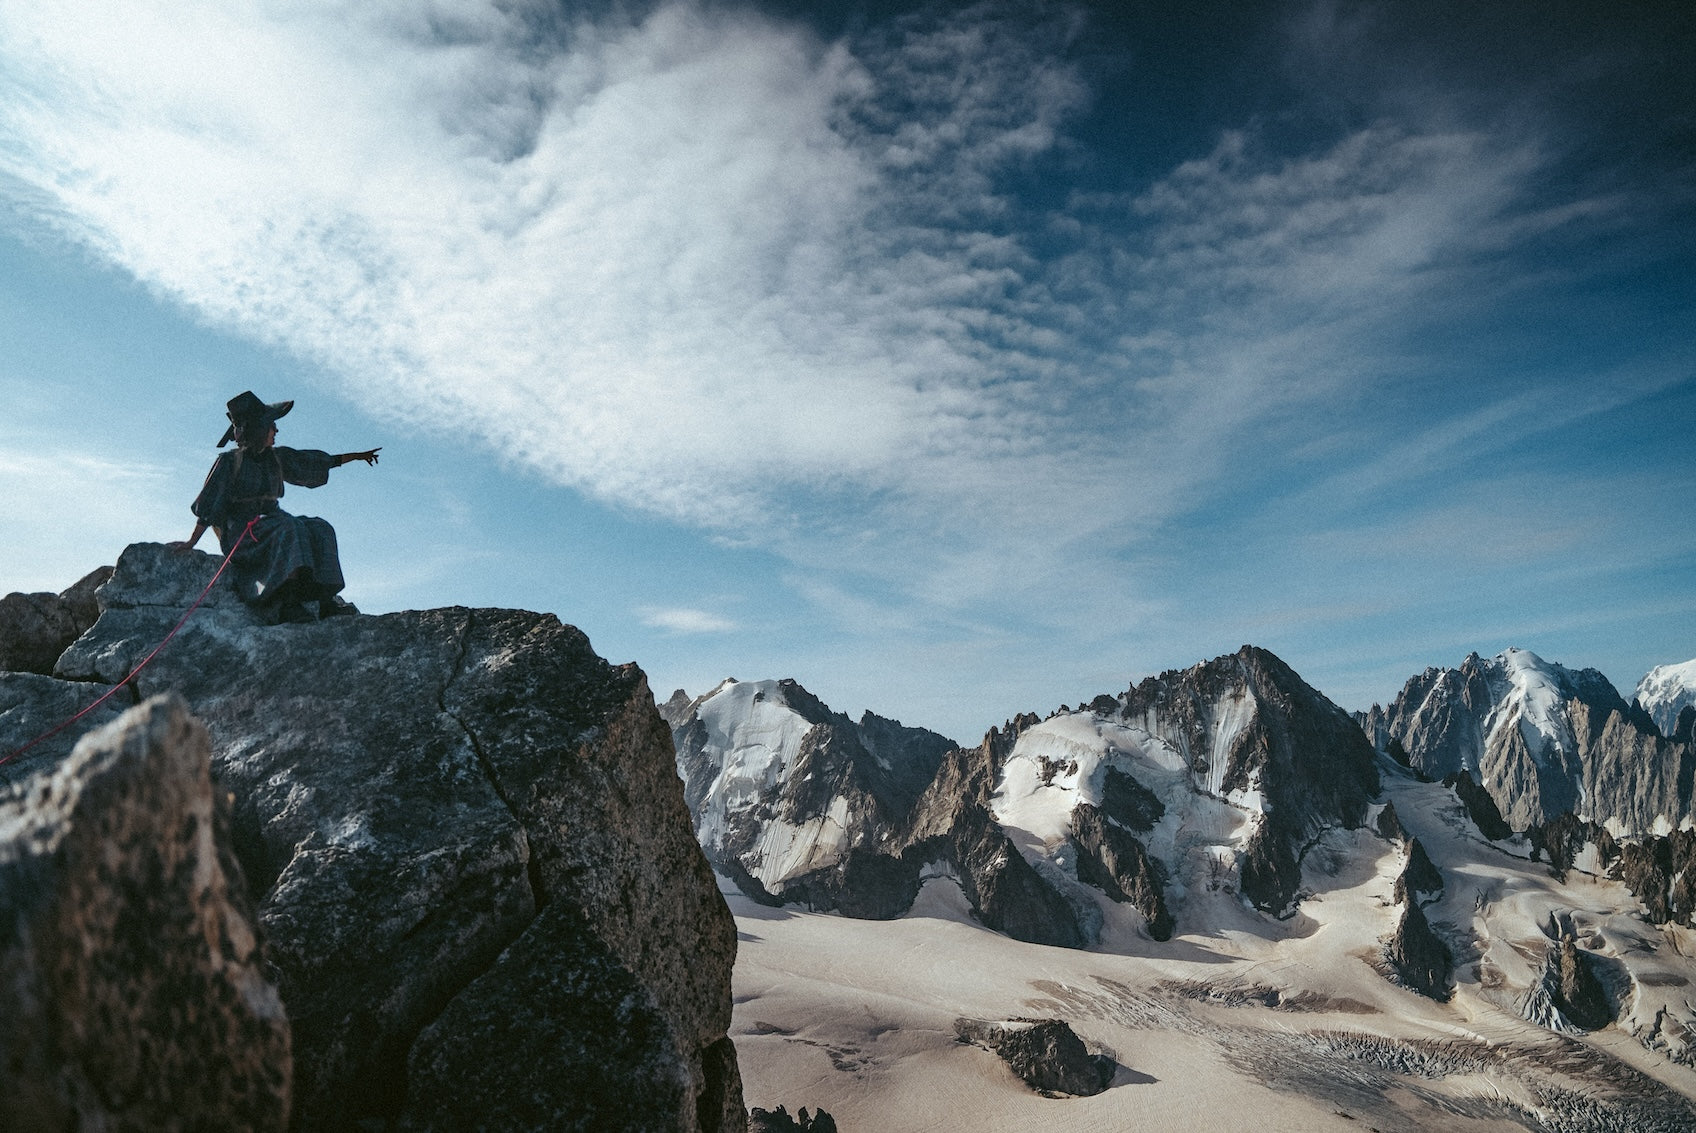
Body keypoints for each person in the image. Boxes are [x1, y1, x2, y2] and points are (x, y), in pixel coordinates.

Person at [171, 391, 380, 623]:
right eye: (271, 426)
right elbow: (209, 504)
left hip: (271, 523)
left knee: (319, 528)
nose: (276, 431)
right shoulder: (229, 462)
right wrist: (192, 541)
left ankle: (323, 599)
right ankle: (287, 602)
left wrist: (357, 456)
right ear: (258, 430)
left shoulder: (276, 458)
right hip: (242, 534)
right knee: (289, 528)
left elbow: (316, 461)